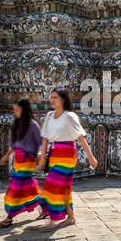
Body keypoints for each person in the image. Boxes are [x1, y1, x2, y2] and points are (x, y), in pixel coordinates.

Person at [33, 88, 97, 231]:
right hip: (54, 153)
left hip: (67, 154)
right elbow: (45, 138)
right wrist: (42, 157)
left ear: (62, 99)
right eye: (51, 97)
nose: (52, 100)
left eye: (55, 97)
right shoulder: (49, 116)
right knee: (63, 189)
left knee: (52, 185)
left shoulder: (70, 116)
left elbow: (80, 137)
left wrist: (91, 157)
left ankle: (52, 221)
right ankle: (71, 217)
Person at [0, 99, 43, 227]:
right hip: (18, 160)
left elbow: (40, 142)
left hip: (28, 159)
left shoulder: (33, 125)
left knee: (16, 187)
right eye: (14, 110)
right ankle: (45, 208)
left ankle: (9, 217)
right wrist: (6, 156)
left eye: (17, 110)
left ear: (24, 110)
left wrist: (40, 153)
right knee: (29, 187)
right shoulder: (16, 126)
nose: (15, 112)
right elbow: (13, 145)